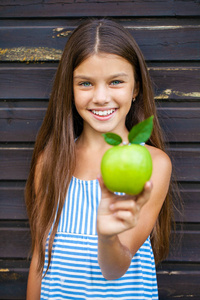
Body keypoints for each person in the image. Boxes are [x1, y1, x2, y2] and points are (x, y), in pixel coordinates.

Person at [25, 18, 173, 300]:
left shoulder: (153, 164)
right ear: (70, 88)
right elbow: (39, 258)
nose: (101, 97)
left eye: (116, 81)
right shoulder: (51, 160)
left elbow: (116, 268)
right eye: (85, 83)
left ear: (136, 88)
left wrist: (106, 237)